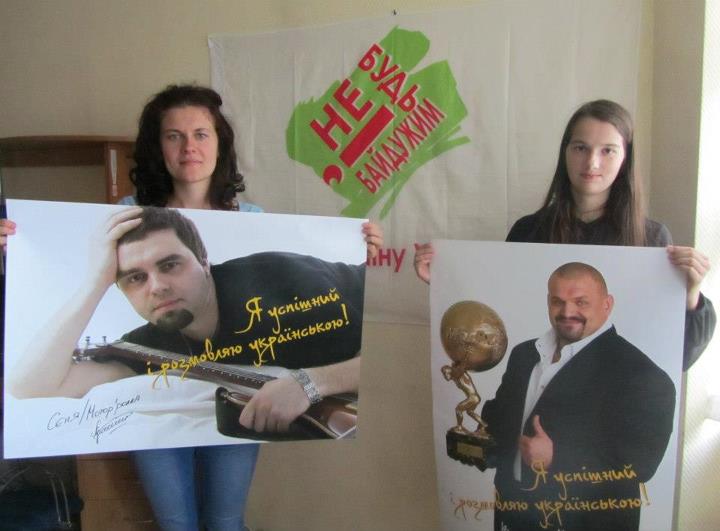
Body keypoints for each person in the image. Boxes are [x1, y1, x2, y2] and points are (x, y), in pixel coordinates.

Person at [4, 84, 383, 531]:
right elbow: (28, 388)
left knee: (225, 521)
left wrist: (362, 250)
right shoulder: (125, 224)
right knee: (175, 524)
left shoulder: (264, 241)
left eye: (201, 134)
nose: (188, 148)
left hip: (248, 397)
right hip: (167, 411)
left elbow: (371, 353)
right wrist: (83, 276)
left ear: (205, 261)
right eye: (174, 136)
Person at [414, 99, 715, 370]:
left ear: (625, 158)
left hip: (613, 401)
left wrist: (690, 295)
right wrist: (444, 280)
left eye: (608, 150)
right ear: (565, 152)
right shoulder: (529, 231)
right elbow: (501, 314)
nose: (592, 162)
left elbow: (675, 359)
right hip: (538, 398)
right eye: (581, 147)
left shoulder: (651, 239)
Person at [481, 262, 675, 531]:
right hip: (513, 515)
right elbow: (504, 417)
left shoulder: (642, 375)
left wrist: (555, 457)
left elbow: (640, 466)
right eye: (557, 301)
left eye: (581, 302)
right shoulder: (523, 354)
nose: (567, 312)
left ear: (607, 304)